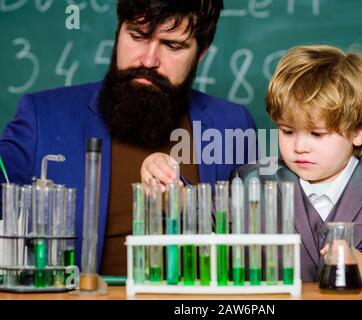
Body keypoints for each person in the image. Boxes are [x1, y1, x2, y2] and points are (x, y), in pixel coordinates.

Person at [0, 0, 257, 275]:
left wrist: (185, 202)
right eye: (137, 36)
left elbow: (254, 242)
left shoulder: (232, 124)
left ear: (201, 54)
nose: (148, 60)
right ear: (119, 31)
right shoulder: (42, 117)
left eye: (172, 46)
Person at [233, 45, 362, 284]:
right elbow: (200, 229)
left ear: (359, 132)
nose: (300, 146)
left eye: (318, 134)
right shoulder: (249, 182)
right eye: (288, 131)